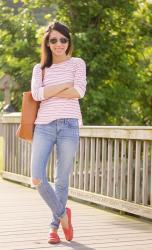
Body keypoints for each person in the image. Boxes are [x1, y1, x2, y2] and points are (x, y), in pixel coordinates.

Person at [30, 21, 87, 244]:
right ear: (47, 42)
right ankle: (64, 215)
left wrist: (50, 91)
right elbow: (36, 95)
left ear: (68, 41)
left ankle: (54, 228)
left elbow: (79, 92)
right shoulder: (40, 68)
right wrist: (65, 85)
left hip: (69, 126)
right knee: (36, 178)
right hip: (44, 126)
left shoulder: (77, 63)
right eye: (53, 40)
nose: (59, 44)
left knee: (62, 180)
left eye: (63, 39)